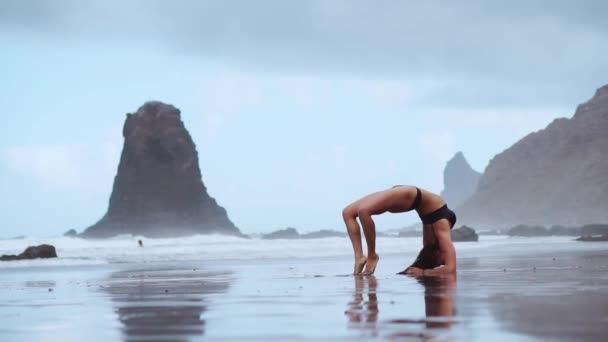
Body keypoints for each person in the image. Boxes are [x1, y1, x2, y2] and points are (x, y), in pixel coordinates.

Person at [342, 185, 457, 275]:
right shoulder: (442, 225)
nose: (442, 262)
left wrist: (422, 271)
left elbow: (447, 268)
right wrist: (424, 272)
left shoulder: (430, 241)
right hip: (412, 194)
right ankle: (367, 256)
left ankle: (363, 257)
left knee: (352, 212)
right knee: (358, 211)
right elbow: (451, 268)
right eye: (442, 262)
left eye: (440, 263)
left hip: (407, 194)